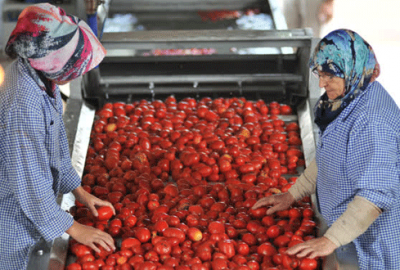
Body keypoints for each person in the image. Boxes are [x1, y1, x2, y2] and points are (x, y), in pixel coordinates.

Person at [252, 29, 400, 269]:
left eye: (330, 76)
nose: (321, 83)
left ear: (352, 70)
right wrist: (293, 194)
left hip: (374, 239)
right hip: (351, 229)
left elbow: (376, 195)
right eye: (319, 74)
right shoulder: (350, 96)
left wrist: (331, 240)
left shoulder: (373, 123)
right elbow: (330, 157)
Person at [0, 3, 116, 270]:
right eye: (76, 69)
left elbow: (55, 146)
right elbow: (28, 181)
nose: (78, 75)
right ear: (54, 63)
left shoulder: (40, 78)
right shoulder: (23, 102)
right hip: (10, 220)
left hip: (29, 210)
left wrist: (80, 192)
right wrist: (74, 229)